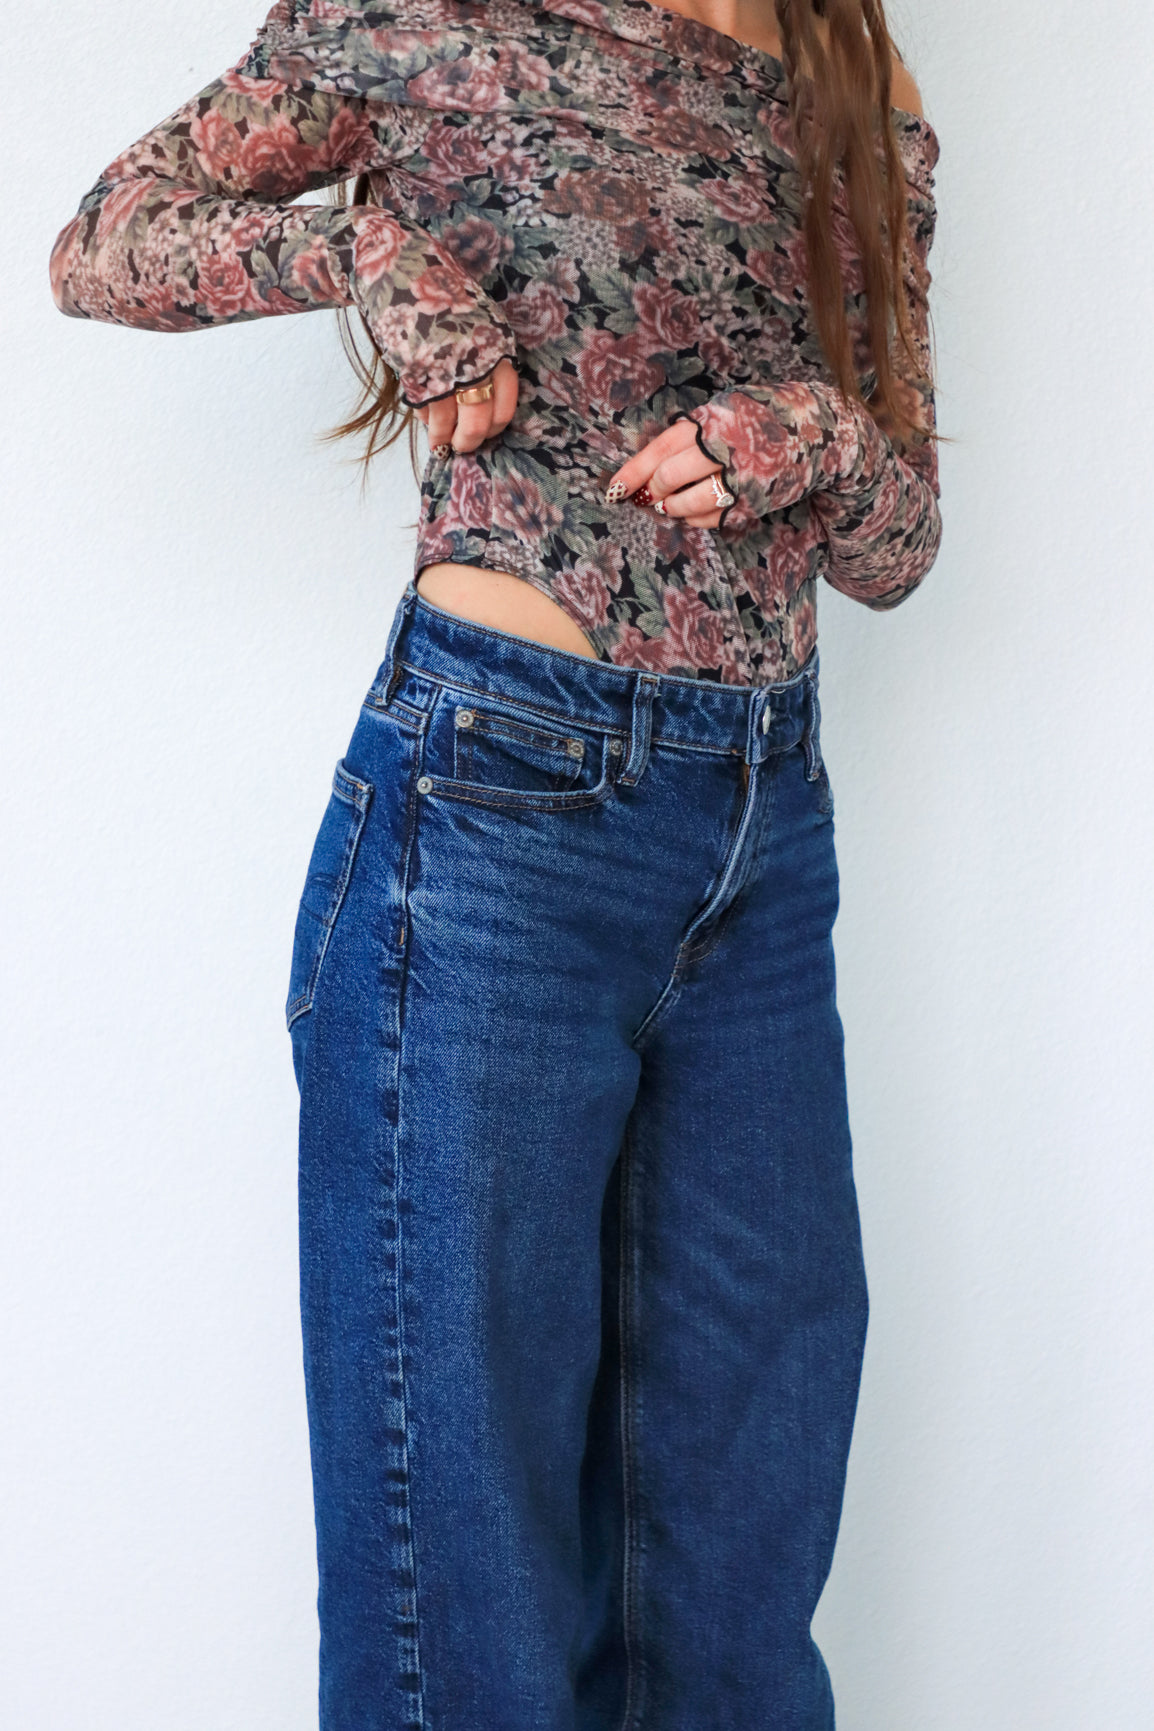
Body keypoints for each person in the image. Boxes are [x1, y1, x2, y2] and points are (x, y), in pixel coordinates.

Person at [50, 0, 943, 1724]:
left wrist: (819, 442)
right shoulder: (422, 16)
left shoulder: (845, 56)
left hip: (762, 841)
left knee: (739, 1585)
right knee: (458, 1572)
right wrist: (368, 250)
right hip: (493, 824)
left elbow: (901, 541)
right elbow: (105, 245)